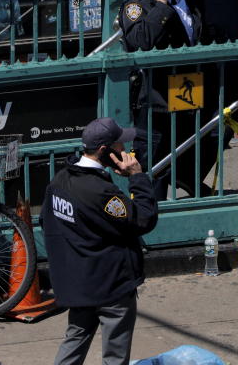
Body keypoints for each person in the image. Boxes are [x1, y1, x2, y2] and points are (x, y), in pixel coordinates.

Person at [41, 117, 159, 365]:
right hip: (111, 285)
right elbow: (144, 219)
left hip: (79, 284)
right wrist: (136, 177)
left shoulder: (60, 181)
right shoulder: (102, 192)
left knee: (74, 340)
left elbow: (48, 224)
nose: (125, 151)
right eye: (119, 145)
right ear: (105, 150)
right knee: (115, 355)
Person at [119, 0, 227, 199]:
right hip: (158, 98)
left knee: (214, 133)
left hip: (191, 90)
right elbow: (139, 42)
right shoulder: (138, 3)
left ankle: (186, 178)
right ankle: (153, 216)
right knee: (156, 158)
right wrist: (160, 7)